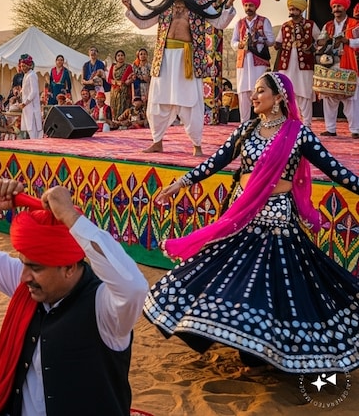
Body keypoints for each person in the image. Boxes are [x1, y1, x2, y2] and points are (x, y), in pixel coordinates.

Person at [146, 71, 359, 373]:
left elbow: (335, 170)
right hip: (242, 215)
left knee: (272, 285)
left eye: (260, 91)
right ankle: (223, 336)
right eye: (254, 90)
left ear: (279, 98)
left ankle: (264, 350)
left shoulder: (298, 134)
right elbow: (216, 161)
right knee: (226, 274)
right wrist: (181, 183)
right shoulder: (247, 129)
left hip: (277, 221)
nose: (253, 96)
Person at [0, 179, 149, 416]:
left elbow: (134, 287)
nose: (23, 277)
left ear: (69, 268)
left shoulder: (105, 308)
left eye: (35, 267)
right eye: (23, 263)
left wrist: (71, 217)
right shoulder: (31, 289)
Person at [121, 0, 238, 156]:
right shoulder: (165, 5)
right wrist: (129, 6)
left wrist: (229, 3)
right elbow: (143, 23)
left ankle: (197, 145)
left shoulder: (200, 5)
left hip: (188, 59)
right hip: (164, 59)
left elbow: (220, 22)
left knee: (191, 102)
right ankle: (157, 142)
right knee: (158, 101)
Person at [315, 0, 359, 138]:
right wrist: (321, 42)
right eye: (334, 6)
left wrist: (347, 41)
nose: (336, 9)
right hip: (330, 65)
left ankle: (355, 130)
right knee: (329, 97)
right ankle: (330, 129)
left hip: (349, 65)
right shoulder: (328, 25)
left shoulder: (354, 24)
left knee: (351, 99)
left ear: (345, 7)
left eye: (339, 6)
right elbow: (319, 43)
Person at [272, 0, 319, 126]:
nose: (292, 12)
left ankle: (307, 123)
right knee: (288, 92)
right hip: (286, 65)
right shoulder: (285, 26)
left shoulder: (310, 25)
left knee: (305, 93)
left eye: (295, 9)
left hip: (304, 64)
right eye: (291, 9)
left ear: (301, 10)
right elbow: (278, 42)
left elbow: (321, 40)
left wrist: (313, 48)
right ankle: (290, 121)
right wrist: (276, 45)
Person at [231, 0, 276, 123]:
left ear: (256, 6)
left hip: (259, 62)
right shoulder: (239, 23)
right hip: (243, 62)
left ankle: (263, 122)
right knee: (243, 93)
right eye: (246, 5)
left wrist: (259, 39)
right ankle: (244, 123)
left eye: (251, 5)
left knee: (260, 91)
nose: (248, 8)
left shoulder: (264, 21)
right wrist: (240, 44)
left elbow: (271, 41)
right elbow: (233, 42)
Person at [18, 53, 43, 139]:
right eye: (21, 66)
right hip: (27, 108)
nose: (22, 68)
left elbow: (34, 92)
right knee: (28, 128)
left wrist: (25, 103)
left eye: (24, 66)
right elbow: (26, 89)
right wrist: (20, 92)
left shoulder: (32, 75)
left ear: (29, 66)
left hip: (32, 107)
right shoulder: (26, 75)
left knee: (33, 129)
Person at [107, 49, 134, 120]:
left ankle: (123, 121)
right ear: (116, 57)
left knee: (123, 107)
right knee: (114, 107)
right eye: (118, 55)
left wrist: (120, 83)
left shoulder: (128, 67)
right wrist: (116, 82)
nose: (120, 57)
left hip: (124, 91)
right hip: (114, 91)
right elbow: (109, 79)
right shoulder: (113, 67)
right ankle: (114, 121)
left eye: (122, 55)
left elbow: (124, 80)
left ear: (124, 57)